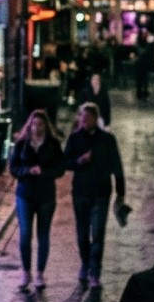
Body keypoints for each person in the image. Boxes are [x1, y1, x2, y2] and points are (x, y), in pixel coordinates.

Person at [64, 101, 126, 289]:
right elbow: (65, 163)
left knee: (97, 234)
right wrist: (79, 160)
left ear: (95, 119)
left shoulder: (107, 139)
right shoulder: (74, 139)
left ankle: (94, 272)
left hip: (101, 193)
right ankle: (85, 263)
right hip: (81, 193)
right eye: (81, 117)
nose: (83, 120)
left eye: (87, 117)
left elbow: (117, 166)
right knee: (83, 235)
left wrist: (121, 192)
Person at [7, 109, 65, 291]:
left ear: (45, 126)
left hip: (46, 196)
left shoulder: (53, 144)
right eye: (33, 124)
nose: (36, 128)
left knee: (43, 235)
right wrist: (27, 171)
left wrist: (44, 172)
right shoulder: (22, 143)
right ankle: (26, 272)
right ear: (29, 125)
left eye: (40, 124)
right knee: (25, 235)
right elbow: (13, 167)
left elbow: (60, 169)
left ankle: (39, 273)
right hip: (25, 194)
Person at [134, 36, 154, 101]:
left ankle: (142, 93)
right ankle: (141, 92)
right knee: (141, 80)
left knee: (143, 80)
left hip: (143, 65)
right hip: (141, 65)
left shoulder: (143, 46)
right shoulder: (146, 47)